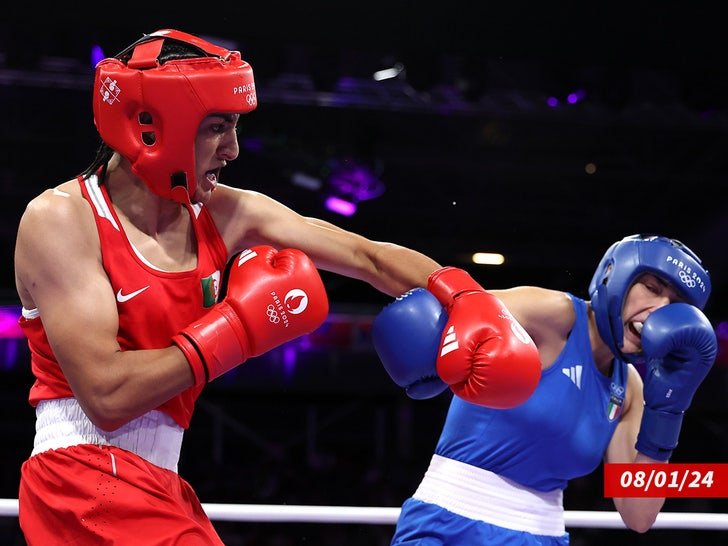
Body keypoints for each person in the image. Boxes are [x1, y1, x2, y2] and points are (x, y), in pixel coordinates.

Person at [13, 29, 542, 545]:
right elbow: (106, 396)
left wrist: (462, 294)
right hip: (82, 480)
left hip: (158, 481)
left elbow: (367, 256)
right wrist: (237, 328)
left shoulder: (225, 214)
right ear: (152, 125)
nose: (233, 149)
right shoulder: (63, 220)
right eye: (217, 126)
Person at [372, 233, 718, 545]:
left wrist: (670, 410)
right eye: (653, 288)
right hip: (448, 523)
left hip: (542, 535)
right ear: (615, 276)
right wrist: (358, 256)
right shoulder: (553, 314)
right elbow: (451, 302)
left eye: (675, 305)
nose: (659, 311)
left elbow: (638, 515)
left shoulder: (630, 389)